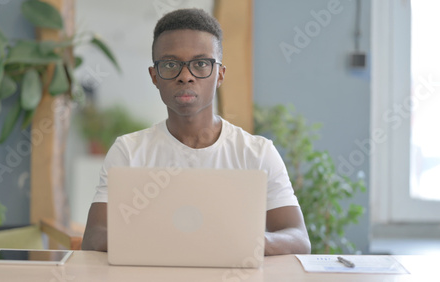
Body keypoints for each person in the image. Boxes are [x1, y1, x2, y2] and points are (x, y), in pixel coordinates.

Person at [81, 8, 311, 255]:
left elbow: (298, 239)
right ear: (154, 76)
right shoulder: (128, 151)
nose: (186, 76)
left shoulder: (257, 153)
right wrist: (176, 241)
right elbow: (94, 236)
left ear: (220, 74)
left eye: (201, 63)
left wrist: (248, 241)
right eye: (170, 64)